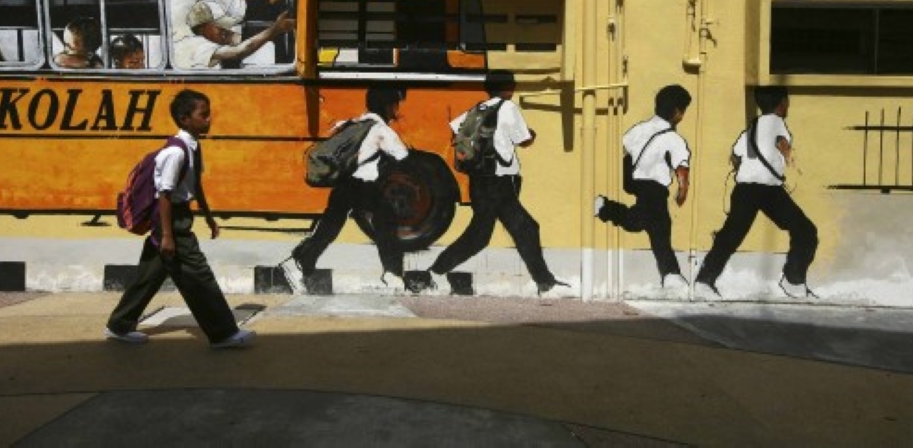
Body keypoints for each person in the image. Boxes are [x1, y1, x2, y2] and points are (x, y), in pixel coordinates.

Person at [105, 89, 255, 349]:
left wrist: (208, 217)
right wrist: (167, 235)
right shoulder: (175, 152)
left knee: (149, 274)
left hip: (177, 216)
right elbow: (163, 195)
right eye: (203, 115)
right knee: (199, 275)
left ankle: (119, 325)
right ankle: (223, 334)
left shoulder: (193, 146)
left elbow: (195, 185)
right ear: (185, 119)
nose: (209, 120)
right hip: (170, 219)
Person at [409, 70, 565, 295]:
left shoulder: (478, 108)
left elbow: (456, 130)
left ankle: (433, 273)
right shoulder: (508, 107)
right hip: (499, 181)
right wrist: (531, 133)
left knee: (480, 236)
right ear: (509, 88)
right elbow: (524, 140)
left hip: (478, 180)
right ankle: (545, 283)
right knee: (526, 228)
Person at [695, 85, 819, 299]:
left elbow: (735, 155)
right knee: (806, 231)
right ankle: (793, 281)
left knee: (731, 236)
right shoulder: (777, 123)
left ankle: (704, 281)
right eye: (787, 101)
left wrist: (746, 169)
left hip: (744, 189)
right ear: (781, 104)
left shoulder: (751, 128)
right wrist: (790, 159)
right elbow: (782, 143)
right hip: (768, 190)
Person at [282, 87, 412, 291]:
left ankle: (304, 258)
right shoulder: (380, 130)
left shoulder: (351, 124)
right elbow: (403, 156)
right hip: (364, 186)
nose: (397, 109)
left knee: (330, 226)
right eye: (395, 104)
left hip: (344, 184)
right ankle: (393, 274)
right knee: (386, 224)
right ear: (386, 106)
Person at [594, 84, 692, 289]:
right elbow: (682, 169)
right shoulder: (673, 139)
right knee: (660, 227)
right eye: (682, 111)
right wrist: (683, 190)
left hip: (635, 183)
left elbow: (625, 147)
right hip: (655, 187)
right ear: (676, 112)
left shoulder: (640, 129)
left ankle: (604, 207)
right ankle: (671, 275)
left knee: (641, 222)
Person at [174, 0, 295, 69]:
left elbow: (238, 41)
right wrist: (275, 29)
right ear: (201, 28)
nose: (225, 29)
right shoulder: (198, 45)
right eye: (218, 26)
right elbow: (239, 52)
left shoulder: (208, 41)